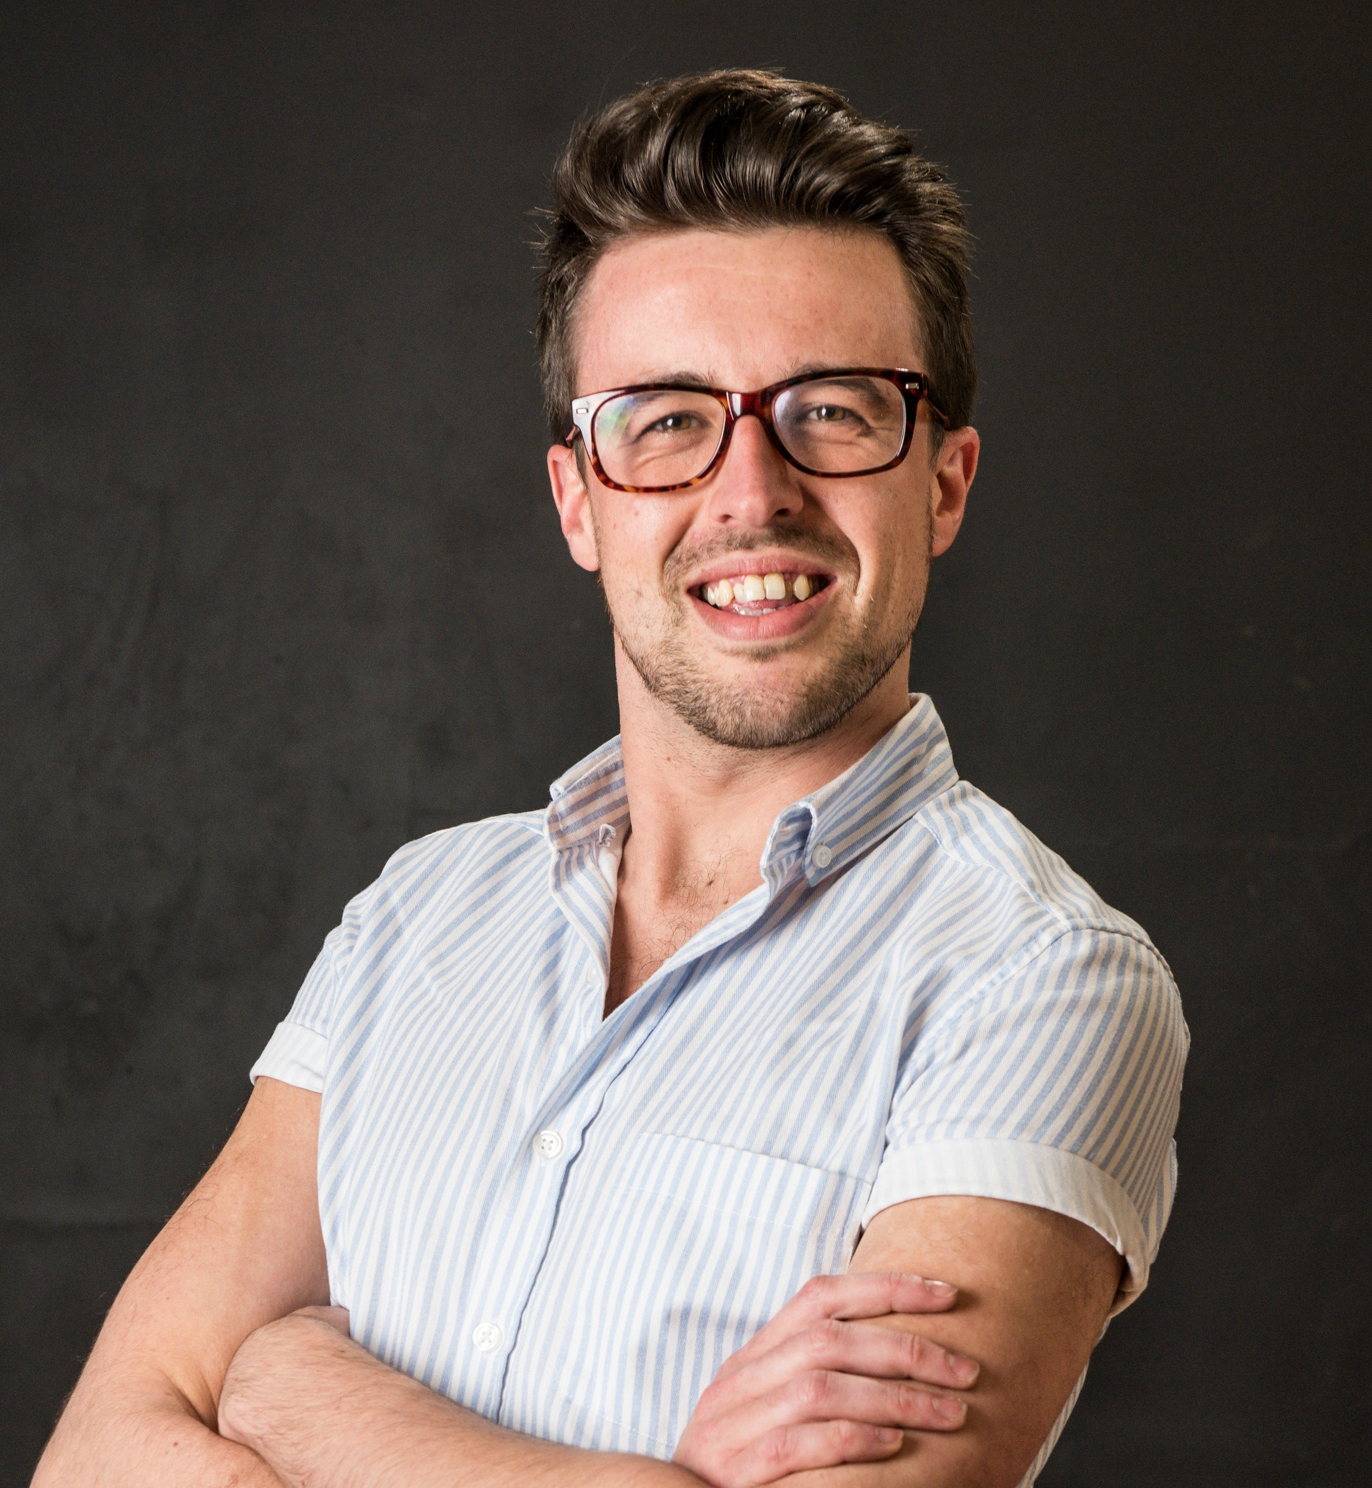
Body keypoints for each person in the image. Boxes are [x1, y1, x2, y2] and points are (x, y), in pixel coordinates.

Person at [34, 70, 1188, 1488]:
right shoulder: (417, 918)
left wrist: (293, 1389)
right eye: (667, 420)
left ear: (942, 484)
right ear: (579, 500)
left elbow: (207, 1402)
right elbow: (101, 1452)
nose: (752, 492)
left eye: (832, 411)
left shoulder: (1048, 983)